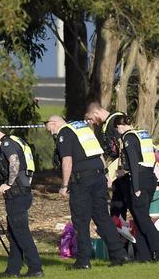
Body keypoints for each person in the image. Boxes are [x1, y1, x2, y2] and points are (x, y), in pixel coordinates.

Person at [45, 115, 130, 269]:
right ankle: (119, 254)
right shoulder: (83, 130)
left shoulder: (65, 132)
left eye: (48, 127)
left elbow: (67, 161)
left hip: (81, 181)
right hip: (98, 177)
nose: (50, 132)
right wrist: (105, 175)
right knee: (102, 217)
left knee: (80, 220)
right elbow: (99, 154)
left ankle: (83, 260)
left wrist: (64, 185)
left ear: (54, 123)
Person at [0, 127, 43, 278]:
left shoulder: (7, 144)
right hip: (20, 193)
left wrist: (8, 183)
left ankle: (35, 268)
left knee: (21, 232)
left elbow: (14, 161)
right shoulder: (14, 141)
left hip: (17, 194)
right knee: (14, 232)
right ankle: (12, 270)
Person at [114, 116, 159, 262]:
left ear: (120, 127)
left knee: (143, 220)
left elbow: (133, 162)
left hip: (139, 180)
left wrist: (136, 187)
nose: (118, 132)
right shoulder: (142, 134)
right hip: (149, 178)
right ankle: (144, 256)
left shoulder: (128, 137)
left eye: (117, 129)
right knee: (140, 219)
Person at [85, 102, 129, 220]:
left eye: (91, 118)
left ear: (96, 112)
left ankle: (120, 231)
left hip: (122, 170)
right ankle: (119, 231)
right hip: (117, 168)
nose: (92, 122)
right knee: (117, 203)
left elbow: (123, 147)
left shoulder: (115, 121)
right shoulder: (108, 122)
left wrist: (118, 169)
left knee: (120, 204)